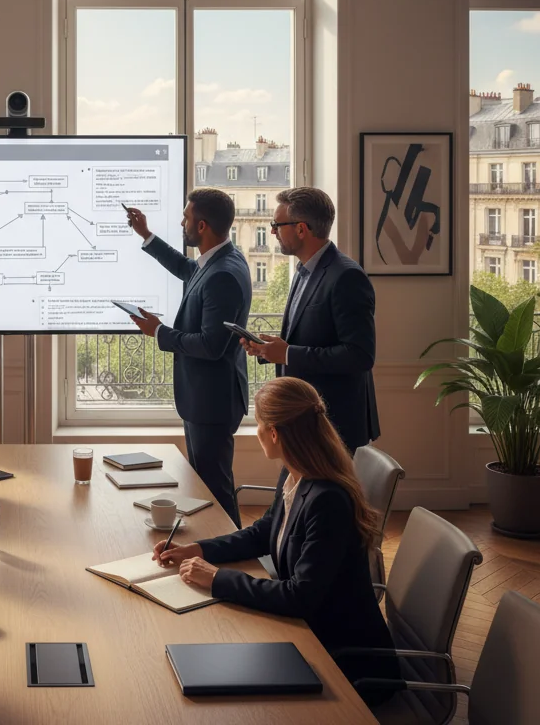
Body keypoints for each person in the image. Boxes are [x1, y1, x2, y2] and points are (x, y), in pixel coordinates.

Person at [152, 376, 396, 705]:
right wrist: (197, 549)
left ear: (275, 433)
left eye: (258, 422)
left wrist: (217, 578)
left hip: (342, 663)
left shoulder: (327, 500)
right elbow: (265, 532)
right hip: (305, 634)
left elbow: (299, 597)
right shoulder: (296, 472)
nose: (256, 430)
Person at [126, 188, 252, 527]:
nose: (181, 222)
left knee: (215, 488)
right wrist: (147, 236)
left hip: (212, 401)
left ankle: (231, 555)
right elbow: (185, 269)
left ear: (202, 226)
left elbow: (212, 346)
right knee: (207, 484)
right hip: (207, 398)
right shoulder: (220, 259)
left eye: (186, 217)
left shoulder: (223, 274)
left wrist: (159, 332)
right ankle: (215, 548)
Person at [239, 186, 380, 453]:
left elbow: (359, 355)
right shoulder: (302, 270)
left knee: (322, 497)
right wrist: (270, 350)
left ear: (301, 229)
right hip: (302, 423)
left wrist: (289, 353)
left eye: (277, 225)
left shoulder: (347, 276)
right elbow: (308, 338)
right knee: (290, 495)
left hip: (334, 424)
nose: (272, 232)